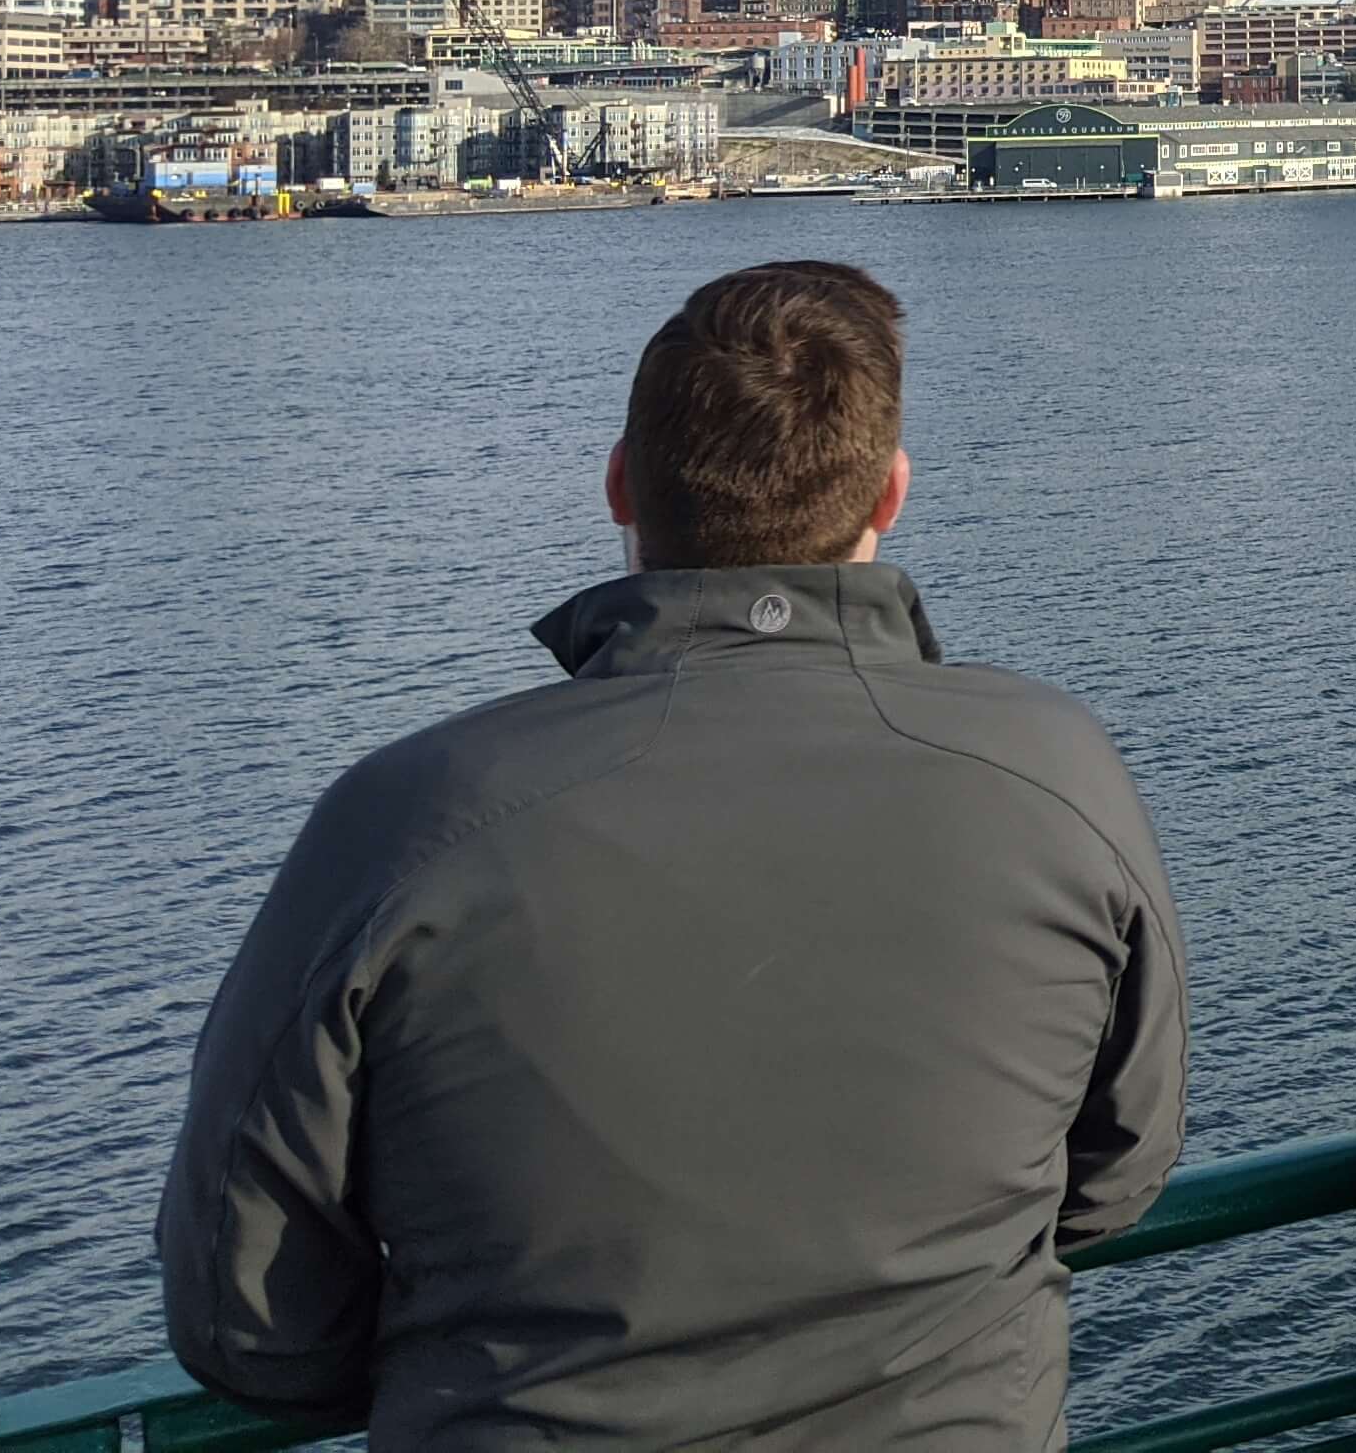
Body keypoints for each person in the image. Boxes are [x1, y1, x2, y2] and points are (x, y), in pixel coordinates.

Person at [157, 260, 1190, 1451]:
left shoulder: (407, 822)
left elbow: (243, 1311)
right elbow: (1118, 1170)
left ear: (618, 487)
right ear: (891, 494)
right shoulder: (1056, 774)